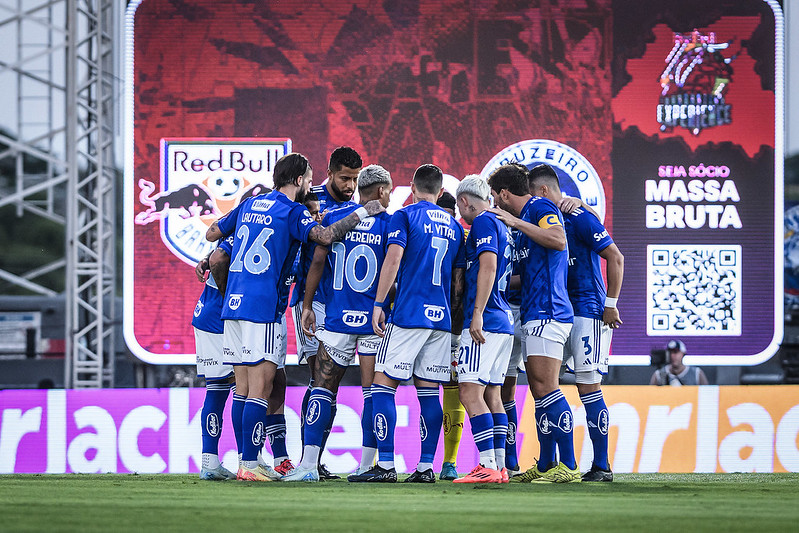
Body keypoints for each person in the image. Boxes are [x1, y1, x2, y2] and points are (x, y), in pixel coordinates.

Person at [205, 152, 385, 481]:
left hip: (232, 305)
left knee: (243, 390)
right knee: (261, 388)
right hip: (263, 308)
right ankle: (249, 464)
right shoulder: (292, 211)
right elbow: (326, 237)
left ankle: (252, 460)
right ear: (300, 180)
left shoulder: (249, 203)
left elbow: (213, 233)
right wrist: (365, 210)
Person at [283, 164, 394, 482]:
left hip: (337, 318)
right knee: (373, 392)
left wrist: (306, 305)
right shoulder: (390, 222)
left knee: (322, 388)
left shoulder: (336, 217)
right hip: (375, 320)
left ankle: (307, 467)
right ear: (383, 191)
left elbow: (317, 262)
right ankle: (369, 465)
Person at [360, 164, 466, 483]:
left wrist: (379, 304)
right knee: (429, 392)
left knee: (382, 385)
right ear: (442, 192)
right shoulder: (455, 226)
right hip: (441, 317)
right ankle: (424, 468)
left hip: (409, 313)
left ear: (411, 187)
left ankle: (387, 465)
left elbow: (393, 259)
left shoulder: (404, 216)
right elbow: (458, 283)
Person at [528, 163, 624, 482]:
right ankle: (547, 463)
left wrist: (610, 305)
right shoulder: (544, 220)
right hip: (559, 311)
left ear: (543, 191)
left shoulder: (578, 216)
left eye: (532, 195)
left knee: (588, 387)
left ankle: (601, 466)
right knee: (544, 387)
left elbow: (616, 257)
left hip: (588, 309)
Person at [487, 163, 580, 483]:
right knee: (539, 393)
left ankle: (568, 465)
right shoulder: (526, 220)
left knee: (546, 387)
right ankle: (545, 465)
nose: (496, 206)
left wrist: (514, 221)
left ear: (502, 193)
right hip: (534, 310)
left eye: (496, 199)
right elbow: (525, 275)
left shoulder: (539, 206)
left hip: (549, 310)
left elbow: (557, 239)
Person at [292, 146, 362, 480]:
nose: (350, 185)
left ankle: (312, 459)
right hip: (310, 300)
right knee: (318, 379)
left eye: (355, 179)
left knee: (327, 385)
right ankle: (308, 459)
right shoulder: (310, 197)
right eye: (345, 178)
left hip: (339, 302)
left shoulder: (356, 207)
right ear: (330, 172)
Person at [451, 176, 514, 484]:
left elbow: (488, 266)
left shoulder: (483, 223)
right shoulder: (503, 225)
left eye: (460, 206)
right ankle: (500, 467)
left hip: (485, 320)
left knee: (469, 391)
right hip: (504, 321)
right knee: (492, 394)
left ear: (465, 201)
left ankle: (486, 465)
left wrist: (475, 313)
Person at [192, 237, 236, 481]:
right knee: (245, 388)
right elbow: (219, 256)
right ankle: (249, 461)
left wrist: (206, 259)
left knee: (218, 390)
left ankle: (210, 462)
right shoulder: (249, 219)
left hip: (209, 315)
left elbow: (216, 251)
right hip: (219, 318)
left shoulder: (239, 219)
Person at [436, 191, 467, 481]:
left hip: (443, 328)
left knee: (449, 390)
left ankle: (447, 462)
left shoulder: (463, 237)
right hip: (451, 327)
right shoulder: (462, 236)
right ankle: (444, 462)